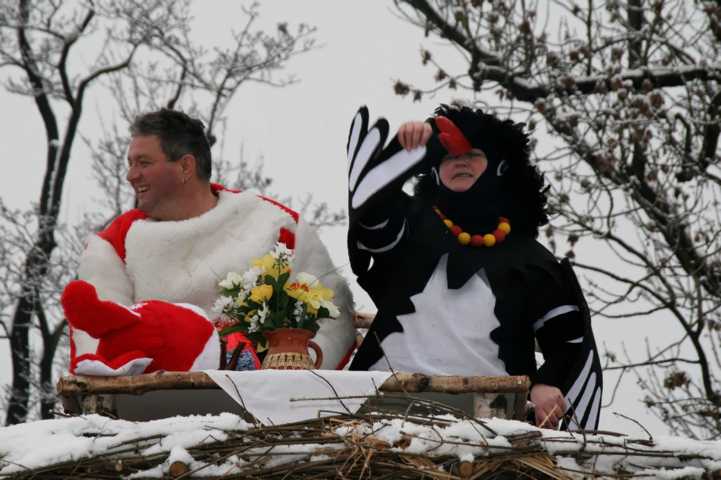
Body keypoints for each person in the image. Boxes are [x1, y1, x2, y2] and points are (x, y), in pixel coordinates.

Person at [346, 104, 603, 430]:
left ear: (499, 166)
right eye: (448, 156)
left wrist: (546, 383)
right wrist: (401, 153)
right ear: (435, 171)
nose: (460, 161)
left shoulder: (532, 259)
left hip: (492, 418)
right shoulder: (410, 226)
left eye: (473, 154)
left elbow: (569, 341)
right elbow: (372, 222)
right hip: (382, 400)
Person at [74, 108, 356, 371]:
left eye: (143, 163)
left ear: (185, 167)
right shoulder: (114, 245)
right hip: (151, 407)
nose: (131, 175)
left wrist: (291, 380)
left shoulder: (273, 224)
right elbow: (99, 340)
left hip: (264, 404)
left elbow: (334, 319)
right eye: (130, 163)